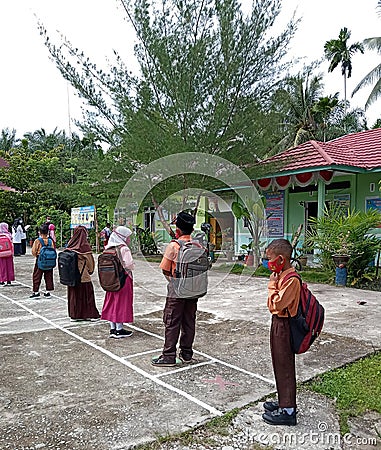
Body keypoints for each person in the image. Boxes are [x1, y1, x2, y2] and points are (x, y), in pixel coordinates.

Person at [151, 211, 198, 367]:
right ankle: (187, 353)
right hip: (193, 289)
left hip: (177, 288)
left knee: (172, 320)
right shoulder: (198, 245)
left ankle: (169, 355)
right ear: (192, 229)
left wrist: (174, 281)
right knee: (189, 320)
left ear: (178, 229)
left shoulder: (174, 246)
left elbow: (165, 269)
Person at [262, 238, 300, 426]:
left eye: (270, 259)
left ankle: (288, 411)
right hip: (279, 323)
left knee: (285, 365)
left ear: (281, 259)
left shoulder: (291, 279)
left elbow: (275, 305)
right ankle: (284, 400)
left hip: (285, 325)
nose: (268, 262)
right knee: (279, 362)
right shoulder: (281, 276)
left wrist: (271, 285)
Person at [100, 226, 134, 338]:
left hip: (110, 280)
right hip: (123, 279)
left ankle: (113, 328)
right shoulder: (123, 248)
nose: (129, 239)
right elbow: (129, 264)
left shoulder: (108, 248)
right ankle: (119, 329)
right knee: (121, 302)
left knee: (111, 302)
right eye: (128, 237)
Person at [65, 226, 100, 321]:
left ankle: (75, 315)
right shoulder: (84, 248)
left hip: (71, 277)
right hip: (83, 277)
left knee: (74, 296)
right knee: (87, 295)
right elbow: (91, 266)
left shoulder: (69, 247)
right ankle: (90, 314)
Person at [30, 223, 55, 298]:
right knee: (49, 276)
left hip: (40, 259)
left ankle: (36, 291)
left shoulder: (38, 241)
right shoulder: (50, 241)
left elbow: (34, 251)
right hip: (49, 260)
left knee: (37, 275)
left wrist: (37, 256)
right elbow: (53, 249)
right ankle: (48, 291)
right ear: (48, 232)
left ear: (39, 232)